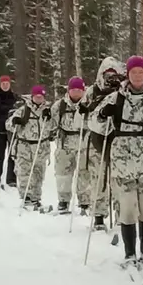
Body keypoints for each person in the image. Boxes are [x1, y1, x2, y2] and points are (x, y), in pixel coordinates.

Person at [87, 55, 143, 265]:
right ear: (127, 75)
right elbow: (94, 124)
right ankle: (130, 252)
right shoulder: (115, 98)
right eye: (133, 72)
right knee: (128, 208)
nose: (137, 76)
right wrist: (102, 114)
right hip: (122, 161)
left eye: (141, 72)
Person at [84, 58, 125, 232]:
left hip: (118, 140)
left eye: (113, 74)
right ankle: (99, 215)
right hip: (96, 139)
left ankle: (121, 215)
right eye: (107, 74)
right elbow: (83, 112)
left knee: (118, 179)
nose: (110, 78)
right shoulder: (92, 90)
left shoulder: (123, 91)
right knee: (98, 177)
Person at [7, 85, 56, 210]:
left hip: (41, 147)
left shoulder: (48, 111)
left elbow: (54, 128)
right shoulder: (24, 110)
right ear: (32, 97)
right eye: (36, 97)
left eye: (41, 97)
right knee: (24, 173)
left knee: (38, 174)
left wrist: (49, 119)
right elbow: (8, 124)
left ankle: (36, 198)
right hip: (25, 146)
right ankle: (26, 197)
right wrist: (16, 121)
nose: (39, 99)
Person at [52, 76, 91, 215]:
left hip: (84, 144)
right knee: (63, 175)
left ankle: (85, 202)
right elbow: (51, 124)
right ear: (68, 91)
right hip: (65, 145)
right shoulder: (59, 106)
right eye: (73, 90)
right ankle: (63, 201)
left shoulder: (89, 103)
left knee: (85, 174)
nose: (76, 93)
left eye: (79, 90)